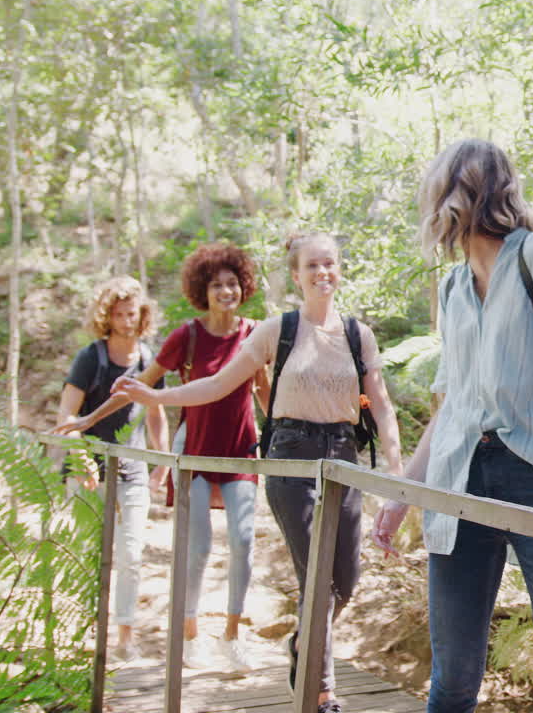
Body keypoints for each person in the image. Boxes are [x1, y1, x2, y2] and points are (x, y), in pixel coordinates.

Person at [371, 138, 533, 713]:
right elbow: (452, 408)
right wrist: (403, 494)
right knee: (452, 681)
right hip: (458, 483)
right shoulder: (453, 288)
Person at [114, 232, 404, 713]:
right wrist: (158, 397)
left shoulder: (358, 334)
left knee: (345, 582)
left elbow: (384, 405)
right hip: (291, 455)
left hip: (343, 455)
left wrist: (397, 472)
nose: (321, 273)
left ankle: (300, 643)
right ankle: (320, 690)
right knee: (316, 579)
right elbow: (218, 383)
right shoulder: (276, 330)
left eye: (328, 263)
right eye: (311, 266)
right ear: (296, 275)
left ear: (339, 268)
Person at [56, 243, 271, 672]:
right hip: (193, 448)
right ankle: (190, 637)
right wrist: (85, 422)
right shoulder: (186, 336)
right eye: (216, 285)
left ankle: (232, 634)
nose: (225, 291)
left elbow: (265, 393)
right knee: (198, 547)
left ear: (242, 287)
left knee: (244, 542)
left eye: (232, 284)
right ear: (203, 290)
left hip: (240, 447)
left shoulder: (254, 333)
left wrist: (287, 433)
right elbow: (138, 389)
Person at [54, 276, 169, 662]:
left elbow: (155, 412)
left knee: (132, 554)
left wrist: (162, 462)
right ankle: (85, 633)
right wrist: (81, 459)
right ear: (107, 316)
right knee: (86, 555)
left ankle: (124, 636)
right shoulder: (92, 357)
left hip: (132, 470)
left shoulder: (149, 359)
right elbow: (67, 414)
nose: (125, 321)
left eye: (131, 313)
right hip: (87, 468)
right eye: (118, 314)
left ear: (142, 315)